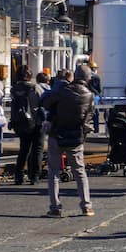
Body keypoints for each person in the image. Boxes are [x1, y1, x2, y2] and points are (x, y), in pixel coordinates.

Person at [41, 63, 95, 217]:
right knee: (80, 172)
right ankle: (86, 206)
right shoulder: (89, 96)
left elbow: (46, 102)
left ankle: (55, 207)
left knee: (54, 172)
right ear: (88, 79)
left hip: (57, 135)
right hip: (76, 137)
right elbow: (88, 119)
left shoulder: (63, 90)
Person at [10, 64, 45, 185]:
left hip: (20, 123)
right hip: (36, 123)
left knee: (23, 149)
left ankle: (18, 176)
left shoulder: (14, 89)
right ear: (29, 75)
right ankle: (34, 176)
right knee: (37, 150)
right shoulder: (35, 88)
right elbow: (44, 102)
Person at [87, 60, 102, 133]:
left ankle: (87, 129)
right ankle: (96, 130)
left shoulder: (87, 77)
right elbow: (99, 89)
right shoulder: (96, 77)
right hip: (95, 97)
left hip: (87, 96)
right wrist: (98, 95)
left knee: (88, 114)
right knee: (96, 114)